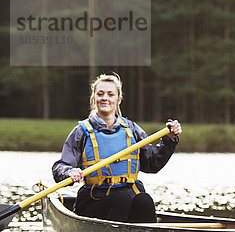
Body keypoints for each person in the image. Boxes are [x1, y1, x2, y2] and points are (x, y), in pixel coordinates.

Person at [52, 73, 182, 223]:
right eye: (100, 94)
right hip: (94, 200)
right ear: (94, 98)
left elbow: (152, 163)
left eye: (110, 94)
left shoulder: (132, 130)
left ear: (118, 100)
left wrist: (170, 139)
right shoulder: (81, 132)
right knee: (122, 198)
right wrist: (69, 171)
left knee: (144, 200)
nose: (104, 98)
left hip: (128, 195)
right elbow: (60, 167)